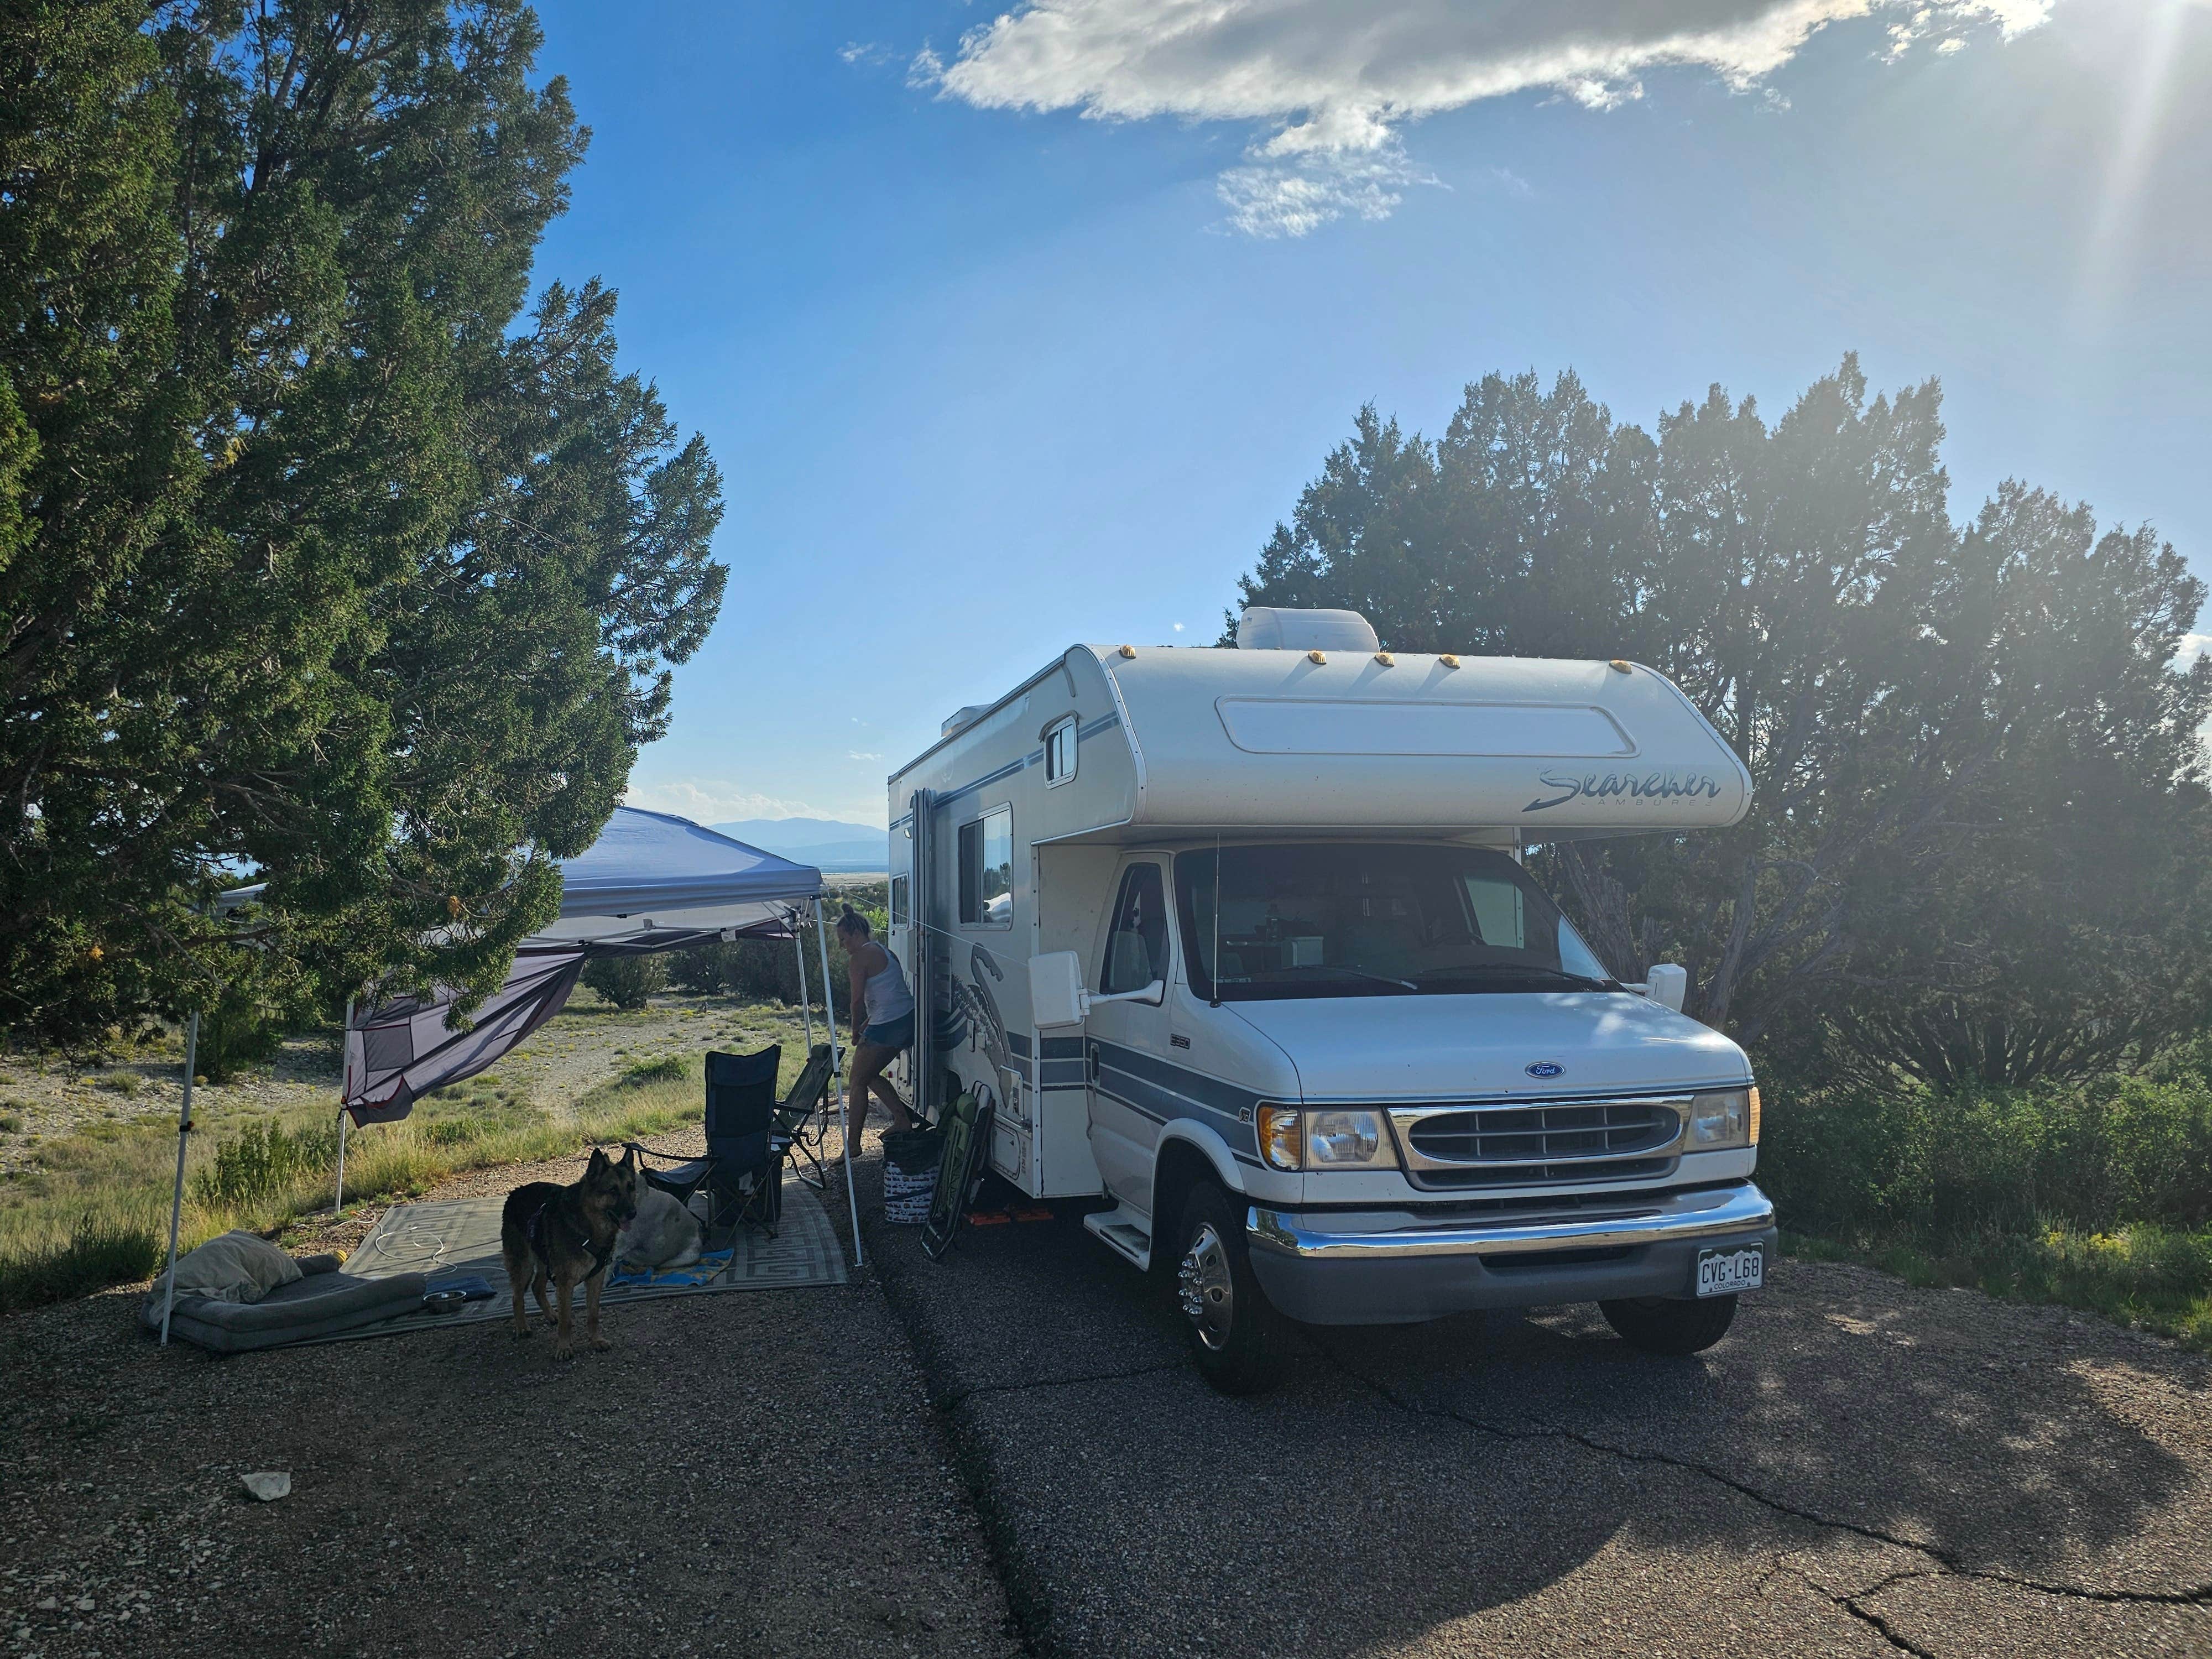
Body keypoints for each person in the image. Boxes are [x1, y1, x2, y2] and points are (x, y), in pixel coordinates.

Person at [836, 909, 915, 1152]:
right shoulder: (884, 950)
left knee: (856, 1080)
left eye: (844, 940)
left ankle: (853, 1145)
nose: (842, 946)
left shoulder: (859, 957)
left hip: (889, 1023)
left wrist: (854, 1031)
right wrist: (866, 1024)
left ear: (857, 933)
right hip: (906, 1018)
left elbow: (857, 1000)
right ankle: (902, 1120)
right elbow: (888, 993)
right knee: (868, 1074)